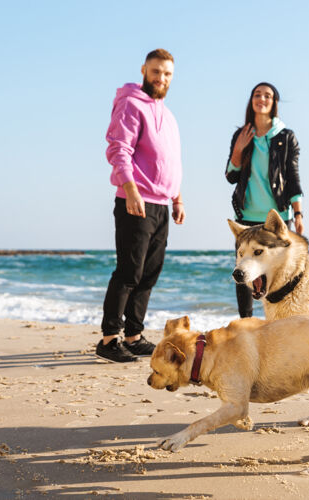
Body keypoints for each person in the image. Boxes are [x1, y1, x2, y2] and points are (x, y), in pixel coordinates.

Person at [97, 49, 185, 363]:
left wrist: (177, 197)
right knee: (129, 272)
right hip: (136, 200)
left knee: (149, 273)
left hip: (162, 204)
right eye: (156, 71)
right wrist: (130, 189)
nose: (161, 78)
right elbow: (118, 149)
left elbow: (171, 161)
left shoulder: (169, 115)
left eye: (167, 74)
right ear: (144, 70)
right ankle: (109, 339)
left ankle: (133, 335)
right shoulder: (131, 103)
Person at [225, 82, 303, 318]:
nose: (262, 99)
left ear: (274, 102)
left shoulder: (286, 136)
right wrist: (239, 149)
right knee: (244, 271)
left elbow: (292, 176)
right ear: (251, 101)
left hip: (276, 220)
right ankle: (246, 324)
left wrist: (298, 213)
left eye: (267, 95)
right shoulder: (241, 135)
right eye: (257, 95)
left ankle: (281, 322)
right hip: (247, 216)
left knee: (280, 275)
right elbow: (231, 176)